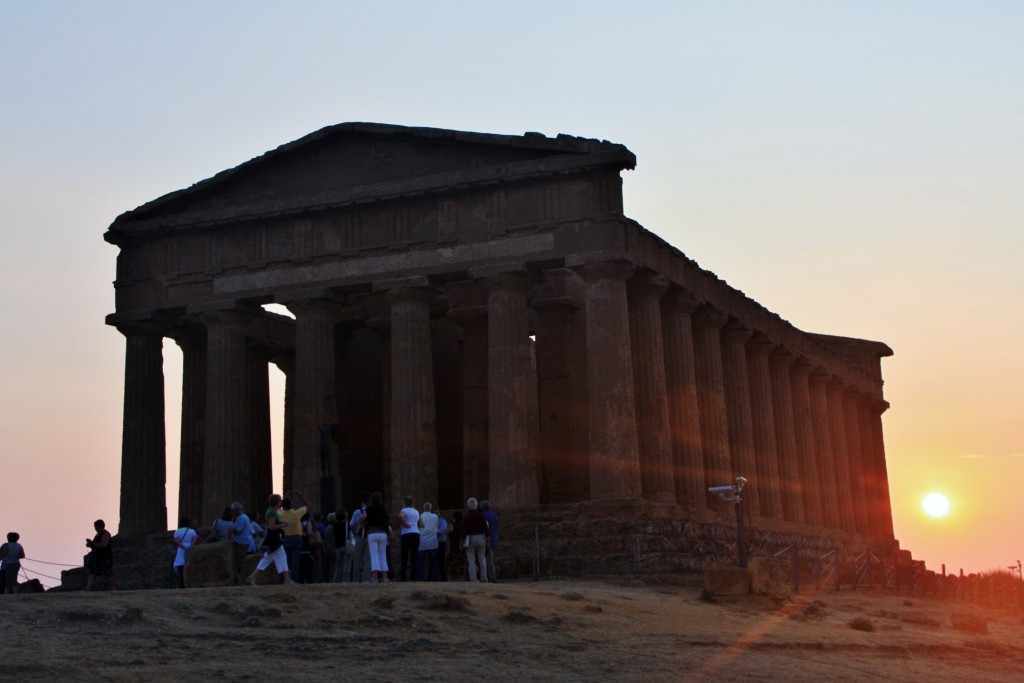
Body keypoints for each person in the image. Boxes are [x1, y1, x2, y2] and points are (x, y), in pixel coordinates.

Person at [247, 494, 294, 586]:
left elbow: (271, 525)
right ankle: (287, 579)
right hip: (274, 539)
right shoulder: (272, 512)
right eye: (280, 501)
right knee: (281, 557)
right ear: (277, 502)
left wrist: (282, 523)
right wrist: (283, 525)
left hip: (271, 538)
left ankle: (253, 576)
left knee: (268, 558)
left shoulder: (270, 511)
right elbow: (271, 526)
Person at [360, 491, 390, 584]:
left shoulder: (368, 509)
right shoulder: (383, 509)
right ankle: (385, 578)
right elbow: (387, 520)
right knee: (383, 556)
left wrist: (361, 523)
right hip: (382, 533)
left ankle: (374, 578)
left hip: (372, 533)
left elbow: (363, 517)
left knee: (374, 556)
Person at [279, 492, 308, 581]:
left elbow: (279, 507)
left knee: (285, 561)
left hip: (285, 538)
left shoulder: (280, 514)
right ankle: (294, 579)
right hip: (296, 538)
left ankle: (284, 580)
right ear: (291, 504)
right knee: (295, 561)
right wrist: (299, 494)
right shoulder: (296, 513)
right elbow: (307, 505)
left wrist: (286, 496)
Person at [462, 498, 488, 583]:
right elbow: (486, 528)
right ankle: (484, 577)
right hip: (481, 537)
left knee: (471, 559)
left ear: (468, 506)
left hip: (470, 538)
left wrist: (462, 540)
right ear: (476, 505)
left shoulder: (466, 517)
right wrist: (488, 538)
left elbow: (463, 530)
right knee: (482, 558)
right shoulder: (481, 516)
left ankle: (473, 578)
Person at [85, 519, 116, 591]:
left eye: (96, 527)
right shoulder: (97, 535)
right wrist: (90, 544)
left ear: (101, 526)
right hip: (96, 558)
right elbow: (96, 545)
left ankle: (113, 589)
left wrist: (92, 543)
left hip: (105, 558)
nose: (95, 528)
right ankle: (88, 589)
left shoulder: (106, 534)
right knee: (92, 573)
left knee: (109, 573)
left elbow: (103, 545)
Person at [398, 496, 421, 582]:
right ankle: (413, 577)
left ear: (404, 502)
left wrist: (404, 523)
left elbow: (401, 516)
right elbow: (421, 523)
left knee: (404, 556)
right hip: (416, 533)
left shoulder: (404, 510)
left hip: (406, 534)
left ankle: (403, 577)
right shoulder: (416, 511)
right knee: (414, 557)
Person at [228, 502, 252, 585]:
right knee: (240, 562)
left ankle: (239, 581)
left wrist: (231, 530)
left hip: (239, 543)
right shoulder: (244, 517)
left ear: (237, 510)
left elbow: (238, 531)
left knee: (238, 563)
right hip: (243, 542)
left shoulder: (241, 518)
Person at [171, 517, 198, 588]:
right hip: (190, 549)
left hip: (181, 549)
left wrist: (183, 547)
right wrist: (190, 547)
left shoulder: (177, 531)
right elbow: (194, 540)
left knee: (181, 567)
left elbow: (177, 541)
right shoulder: (192, 531)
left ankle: (182, 584)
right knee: (189, 566)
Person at [417, 502, 440, 581]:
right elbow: (437, 526)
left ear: (423, 508)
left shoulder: (420, 516)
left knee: (421, 562)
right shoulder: (435, 516)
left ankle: (421, 578)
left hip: (422, 542)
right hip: (433, 541)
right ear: (431, 508)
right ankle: (434, 578)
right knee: (433, 562)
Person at [349, 497, 369, 583]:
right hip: (368, 534)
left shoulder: (357, 512)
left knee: (357, 558)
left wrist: (354, 533)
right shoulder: (371, 511)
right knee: (368, 558)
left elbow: (351, 524)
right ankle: (366, 579)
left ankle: (355, 579)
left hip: (359, 535)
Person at [481, 500, 500, 583]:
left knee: (488, 559)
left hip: (487, 539)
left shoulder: (483, 515)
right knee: (490, 558)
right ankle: (490, 576)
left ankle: (490, 576)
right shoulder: (494, 514)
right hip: (494, 539)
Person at [436, 514, 449, 581]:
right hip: (434, 542)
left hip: (441, 542)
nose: (436, 513)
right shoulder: (432, 520)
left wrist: (432, 531)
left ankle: (442, 576)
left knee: (441, 559)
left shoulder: (442, 521)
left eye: (437, 512)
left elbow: (442, 530)